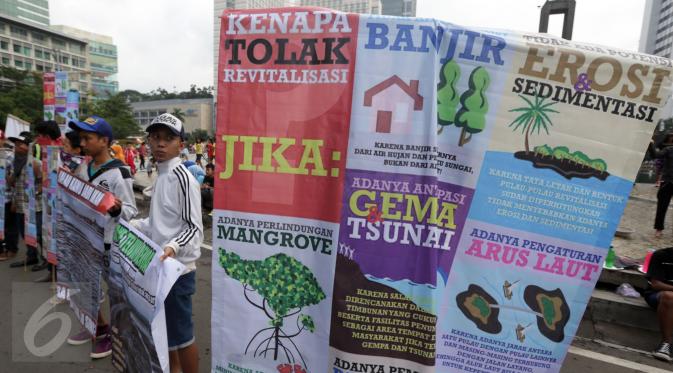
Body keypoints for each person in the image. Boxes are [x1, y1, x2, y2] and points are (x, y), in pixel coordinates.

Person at [131, 113, 202, 373]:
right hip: (160, 267)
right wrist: (132, 224)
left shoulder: (183, 178)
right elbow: (156, 224)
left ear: (180, 145)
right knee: (167, 334)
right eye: (156, 138)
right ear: (148, 141)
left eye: (168, 139)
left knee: (182, 335)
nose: (160, 144)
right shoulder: (161, 176)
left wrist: (172, 247)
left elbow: (194, 227)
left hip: (178, 270)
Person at [65, 116, 138, 359]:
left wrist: (117, 210)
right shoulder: (83, 168)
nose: (82, 143)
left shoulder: (119, 172)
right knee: (86, 287)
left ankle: (115, 337)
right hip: (84, 240)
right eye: (81, 138)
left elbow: (130, 211)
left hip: (108, 244)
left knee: (114, 292)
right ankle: (97, 326)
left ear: (104, 141)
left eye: (88, 138)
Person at [5, 132, 43, 271]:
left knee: (37, 233)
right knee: (24, 233)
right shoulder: (16, 163)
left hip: (34, 206)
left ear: (28, 147)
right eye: (15, 144)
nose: (16, 147)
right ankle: (31, 256)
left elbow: (43, 183)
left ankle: (45, 260)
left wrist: (36, 193)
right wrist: (11, 175)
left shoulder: (35, 163)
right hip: (20, 204)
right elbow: (12, 184)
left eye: (20, 144)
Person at [644, 246, 673, 361]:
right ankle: (666, 344)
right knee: (669, 297)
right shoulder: (661, 255)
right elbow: (655, 284)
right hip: (658, 295)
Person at [649, 134, 673, 238]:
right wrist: (651, 144)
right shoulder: (669, 149)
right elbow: (655, 155)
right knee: (662, 206)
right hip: (667, 182)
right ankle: (659, 228)